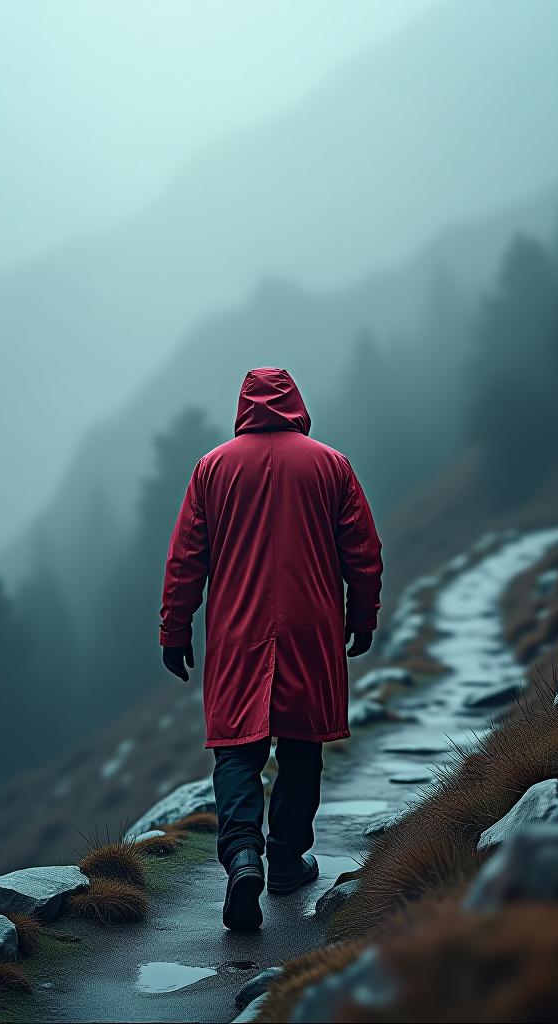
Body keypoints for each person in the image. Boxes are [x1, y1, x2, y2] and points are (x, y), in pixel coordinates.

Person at [159, 366, 383, 931]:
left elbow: (187, 559)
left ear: (244, 407)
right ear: (296, 405)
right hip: (313, 625)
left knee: (237, 747)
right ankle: (284, 860)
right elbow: (363, 551)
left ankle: (241, 859)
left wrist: (175, 629)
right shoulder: (330, 464)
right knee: (302, 744)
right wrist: (362, 616)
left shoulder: (213, 468)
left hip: (239, 627)